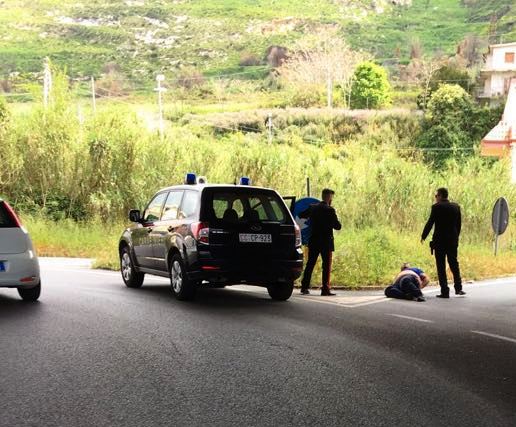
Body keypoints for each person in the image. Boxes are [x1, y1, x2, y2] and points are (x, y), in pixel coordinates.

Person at [421, 187, 465, 298]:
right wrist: (456, 237)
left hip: (440, 241)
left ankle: (445, 291)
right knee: (454, 264)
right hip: (452, 241)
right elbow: (458, 225)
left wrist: (423, 236)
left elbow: (430, 223)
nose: (435, 198)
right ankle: (458, 288)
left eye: (436, 196)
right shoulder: (456, 207)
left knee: (441, 266)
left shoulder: (436, 207)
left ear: (440, 196)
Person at [299, 188, 342, 296]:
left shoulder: (313, 207)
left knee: (310, 264)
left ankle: (304, 287)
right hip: (326, 242)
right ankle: (325, 289)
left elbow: (301, 215)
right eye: (331, 197)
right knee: (326, 266)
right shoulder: (330, 210)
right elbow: (338, 226)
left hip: (314, 240)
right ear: (329, 197)